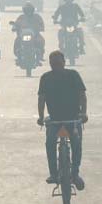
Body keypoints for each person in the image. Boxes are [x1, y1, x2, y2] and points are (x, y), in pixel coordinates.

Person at [37, 51, 88, 190]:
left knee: (77, 143)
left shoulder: (73, 75)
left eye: (58, 63)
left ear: (64, 62)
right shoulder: (45, 78)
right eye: (53, 64)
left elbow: (82, 95)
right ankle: (53, 173)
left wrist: (83, 113)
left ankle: (75, 173)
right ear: (50, 64)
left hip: (73, 119)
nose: (56, 66)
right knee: (50, 143)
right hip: (54, 120)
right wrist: (41, 117)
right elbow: (41, 99)